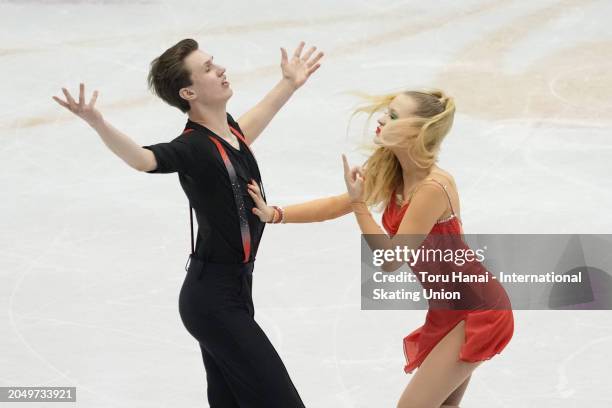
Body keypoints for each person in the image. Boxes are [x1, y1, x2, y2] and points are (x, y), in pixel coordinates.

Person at [52, 38, 324, 408]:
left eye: (215, 62)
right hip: (212, 298)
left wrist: (289, 84)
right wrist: (99, 123)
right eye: (209, 68)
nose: (221, 69)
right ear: (189, 91)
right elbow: (144, 159)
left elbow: (250, 125)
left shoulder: (229, 132)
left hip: (236, 291)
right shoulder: (192, 148)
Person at [247, 89, 514, 408]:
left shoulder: (432, 187)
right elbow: (336, 205)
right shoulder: (393, 173)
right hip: (449, 309)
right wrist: (275, 214)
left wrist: (360, 204)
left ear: (418, 131)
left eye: (394, 116)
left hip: (479, 310)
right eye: (387, 111)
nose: (382, 118)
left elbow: (391, 259)